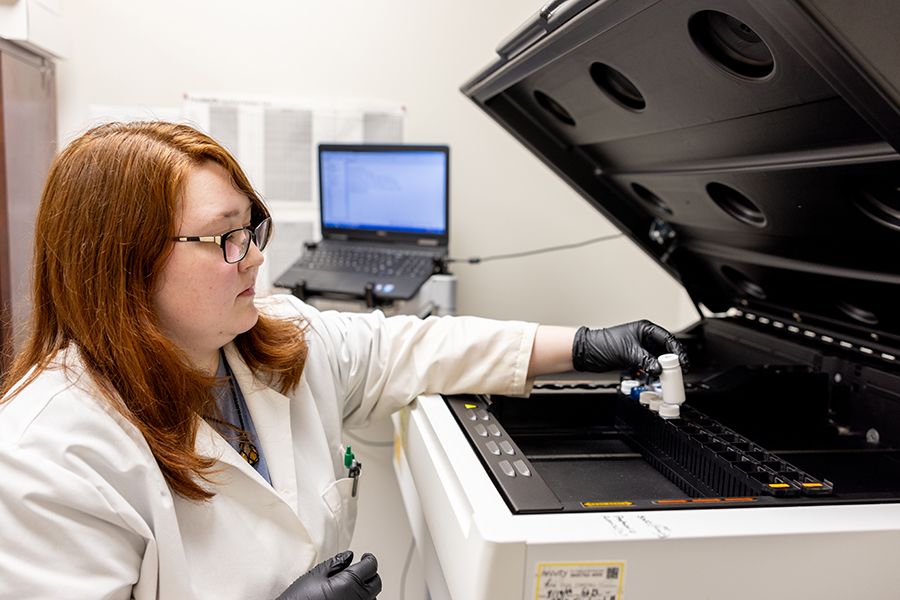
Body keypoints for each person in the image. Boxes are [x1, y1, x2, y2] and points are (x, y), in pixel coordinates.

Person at [0, 122, 688, 599]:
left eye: (251, 227)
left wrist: (584, 346)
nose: (258, 256)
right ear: (122, 264)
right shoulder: (47, 458)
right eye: (223, 239)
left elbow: (408, 345)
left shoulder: (271, 342)